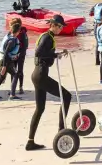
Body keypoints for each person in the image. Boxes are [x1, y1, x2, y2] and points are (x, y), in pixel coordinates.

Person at [26, 15, 71, 152]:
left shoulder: (46, 36)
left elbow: (44, 52)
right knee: (67, 96)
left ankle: (30, 142)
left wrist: (56, 54)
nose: (61, 29)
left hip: (37, 74)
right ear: (55, 25)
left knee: (40, 109)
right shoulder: (47, 37)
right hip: (40, 75)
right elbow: (39, 53)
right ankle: (61, 131)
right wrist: (55, 55)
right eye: (61, 27)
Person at [0, 19, 22, 100]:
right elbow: (6, 53)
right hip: (6, 61)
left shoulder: (8, 35)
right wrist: (4, 66)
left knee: (2, 77)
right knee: (15, 75)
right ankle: (12, 95)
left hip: (1, 59)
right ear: (18, 31)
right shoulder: (12, 41)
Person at [16, 20, 29, 95]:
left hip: (20, 55)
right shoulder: (16, 32)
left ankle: (20, 87)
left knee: (19, 71)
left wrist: (19, 54)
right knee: (14, 71)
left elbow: (25, 46)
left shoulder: (23, 33)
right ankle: (13, 87)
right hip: (15, 54)